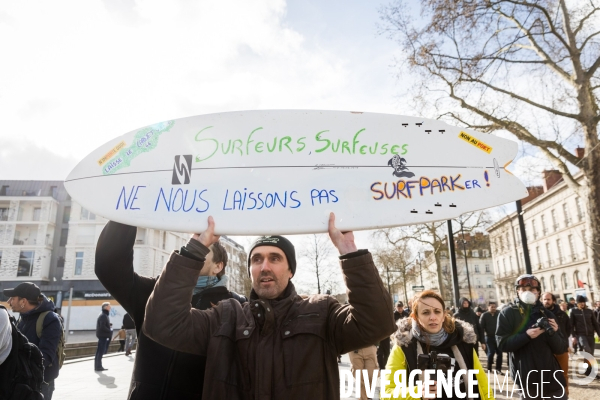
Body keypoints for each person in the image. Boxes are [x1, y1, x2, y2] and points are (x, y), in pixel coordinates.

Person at [143, 213, 396, 399]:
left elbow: (376, 323)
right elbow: (162, 324)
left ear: (291, 270)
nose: (264, 266)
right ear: (250, 270)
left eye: (275, 258)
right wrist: (193, 250)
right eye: (257, 259)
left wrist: (349, 251)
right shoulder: (225, 316)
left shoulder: (322, 313)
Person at [95, 221, 247, 399]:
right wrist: (125, 216)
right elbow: (109, 268)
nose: (196, 246)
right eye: (194, 241)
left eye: (205, 245)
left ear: (218, 266)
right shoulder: (153, 292)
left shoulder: (235, 307)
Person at [382, 290, 492, 399]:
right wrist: (417, 392)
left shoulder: (462, 340)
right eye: (426, 312)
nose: (433, 317)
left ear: (444, 315)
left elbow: (484, 387)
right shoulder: (405, 346)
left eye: (437, 311)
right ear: (415, 317)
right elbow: (387, 393)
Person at [496, 274, 567, 399]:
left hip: (552, 377)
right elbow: (502, 344)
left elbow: (561, 349)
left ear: (538, 292)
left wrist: (554, 333)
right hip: (527, 379)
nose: (528, 293)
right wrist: (526, 336)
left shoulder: (547, 314)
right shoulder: (508, 313)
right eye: (523, 289)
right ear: (517, 291)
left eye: (532, 290)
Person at [4, 282, 62, 400]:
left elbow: (45, 356)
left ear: (23, 301)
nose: (9, 302)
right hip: (22, 379)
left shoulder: (50, 319)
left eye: (13, 298)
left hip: (41, 383)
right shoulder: (23, 318)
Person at [541, 292, 571, 394]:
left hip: (561, 348)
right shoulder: (540, 314)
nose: (546, 301)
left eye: (548, 299)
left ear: (553, 301)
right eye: (544, 299)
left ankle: (565, 394)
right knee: (548, 374)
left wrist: (564, 342)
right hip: (547, 350)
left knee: (563, 373)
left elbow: (568, 329)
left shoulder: (562, 314)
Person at [569, 294, 600, 376]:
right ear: (577, 303)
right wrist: (573, 336)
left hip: (590, 335)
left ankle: (588, 370)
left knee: (590, 354)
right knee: (588, 351)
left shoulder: (589, 311)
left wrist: (599, 334)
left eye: (583, 302)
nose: (582, 303)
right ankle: (592, 371)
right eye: (580, 302)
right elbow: (571, 325)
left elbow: (595, 324)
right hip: (580, 335)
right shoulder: (573, 311)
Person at [480, 302, 503, 374]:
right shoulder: (484, 315)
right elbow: (481, 328)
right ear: (488, 307)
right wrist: (482, 340)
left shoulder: (499, 314)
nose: (493, 308)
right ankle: (489, 368)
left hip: (498, 337)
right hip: (489, 337)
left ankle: (498, 369)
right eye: (492, 307)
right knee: (491, 352)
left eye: (494, 307)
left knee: (500, 353)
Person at [95, 302, 112, 371]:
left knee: (100, 351)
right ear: (106, 307)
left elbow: (103, 324)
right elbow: (102, 326)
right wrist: (109, 330)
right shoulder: (103, 315)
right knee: (100, 351)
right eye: (109, 306)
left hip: (102, 335)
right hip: (103, 336)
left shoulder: (103, 315)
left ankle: (98, 366)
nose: (110, 307)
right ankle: (98, 366)